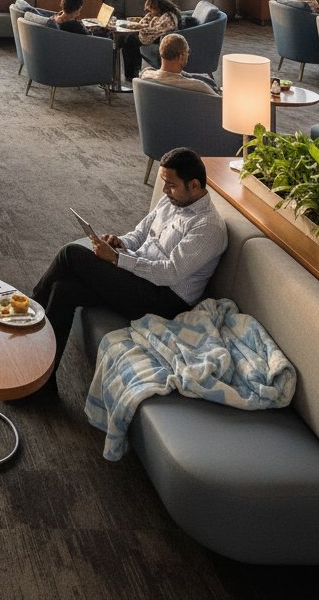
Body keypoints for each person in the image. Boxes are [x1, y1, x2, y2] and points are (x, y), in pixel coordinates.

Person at [32, 147, 227, 381]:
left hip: (164, 299)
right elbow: (140, 234)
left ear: (194, 185)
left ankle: (27, 309)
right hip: (140, 278)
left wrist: (117, 258)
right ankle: (42, 381)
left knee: (71, 254)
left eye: (171, 185)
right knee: (63, 289)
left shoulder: (208, 227)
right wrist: (120, 242)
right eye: (164, 182)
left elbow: (170, 273)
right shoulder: (171, 201)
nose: (165, 191)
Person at [121, 0, 181, 80]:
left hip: (160, 38)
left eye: (152, 10)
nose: (150, 12)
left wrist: (144, 30)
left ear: (158, 8)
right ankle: (133, 72)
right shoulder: (158, 14)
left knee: (130, 40)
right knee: (128, 39)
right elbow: (148, 22)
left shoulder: (169, 17)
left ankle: (131, 74)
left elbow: (160, 29)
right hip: (155, 34)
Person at [140, 34, 219, 94]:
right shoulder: (199, 86)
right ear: (182, 56)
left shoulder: (145, 75)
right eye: (188, 52)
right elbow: (220, 104)